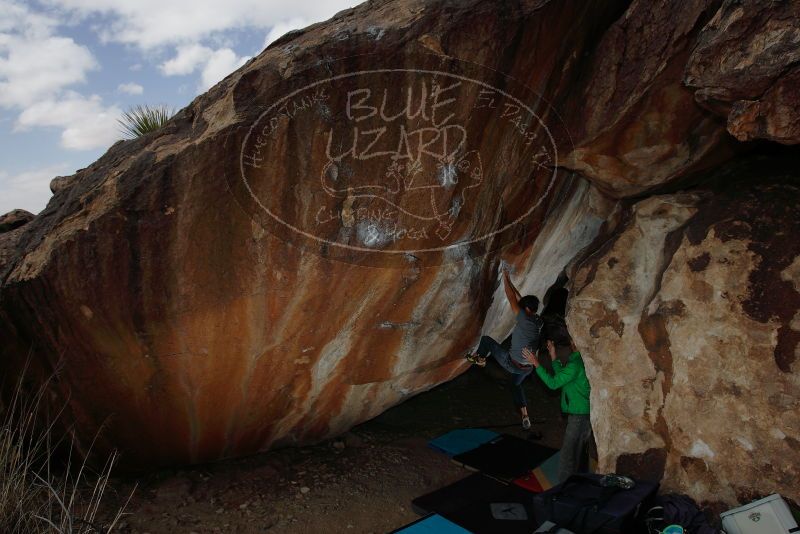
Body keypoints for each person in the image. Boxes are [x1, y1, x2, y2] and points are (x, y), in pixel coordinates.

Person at [466, 267, 543, 430]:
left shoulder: (523, 318)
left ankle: (480, 359)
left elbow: (511, 298)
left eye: (524, 308)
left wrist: (505, 278)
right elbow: (520, 299)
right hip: (527, 369)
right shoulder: (537, 320)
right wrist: (512, 282)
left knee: (486, 340)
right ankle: (525, 414)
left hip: (512, 363)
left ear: (526, 310)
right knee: (516, 386)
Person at [522, 339, 592, 483]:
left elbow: (553, 383)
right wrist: (553, 355)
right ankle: (581, 482)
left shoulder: (575, 364)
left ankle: (562, 489)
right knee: (580, 452)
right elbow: (563, 377)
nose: (571, 341)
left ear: (574, 344)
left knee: (568, 455)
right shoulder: (580, 362)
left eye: (572, 339)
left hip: (578, 415)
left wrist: (536, 363)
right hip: (585, 412)